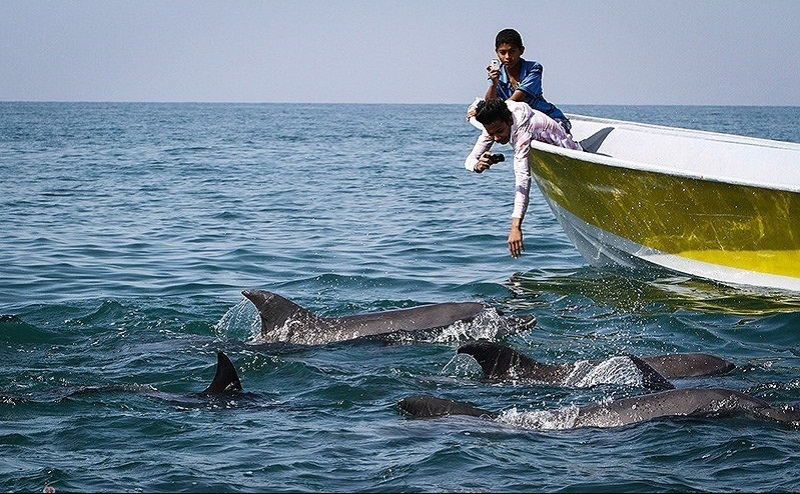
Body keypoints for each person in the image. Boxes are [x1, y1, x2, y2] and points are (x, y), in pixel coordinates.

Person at [464, 98, 582, 258]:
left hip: (572, 159)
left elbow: (523, 180)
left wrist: (516, 227)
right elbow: (470, 159)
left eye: (499, 131)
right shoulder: (495, 123)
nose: (496, 138)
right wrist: (478, 166)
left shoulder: (522, 133)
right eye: (492, 134)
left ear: (509, 120)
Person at [469, 28, 571, 134]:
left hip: (549, 118)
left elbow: (517, 99)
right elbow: (491, 102)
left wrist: (484, 110)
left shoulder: (534, 68)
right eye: (502, 52)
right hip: (524, 123)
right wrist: (493, 85)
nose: (507, 57)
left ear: (521, 50)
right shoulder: (497, 74)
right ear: (497, 53)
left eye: (512, 51)